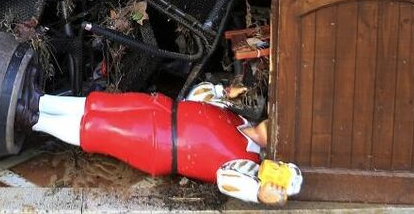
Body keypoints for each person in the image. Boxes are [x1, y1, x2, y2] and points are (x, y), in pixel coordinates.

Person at [31, 83, 303, 206]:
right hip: (161, 109)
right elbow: (198, 96)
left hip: (158, 143)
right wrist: (223, 92)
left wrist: (258, 192)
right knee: (102, 104)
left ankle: (35, 119)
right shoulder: (239, 117)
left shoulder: (245, 162)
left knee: (98, 128)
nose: (273, 126)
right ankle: (43, 101)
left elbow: (228, 181)